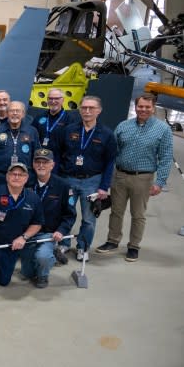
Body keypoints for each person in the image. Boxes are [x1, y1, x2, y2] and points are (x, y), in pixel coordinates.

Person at [97, 93, 173, 262]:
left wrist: (159, 182)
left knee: (138, 214)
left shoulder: (163, 129)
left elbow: (166, 157)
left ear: (153, 108)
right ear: (136, 106)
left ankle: (133, 246)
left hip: (143, 178)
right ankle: (112, 241)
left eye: (147, 107)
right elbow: (111, 152)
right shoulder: (123, 126)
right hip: (120, 176)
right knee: (116, 211)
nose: (143, 109)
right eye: (140, 106)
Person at [53, 95, 117, 261]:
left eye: (91, 108)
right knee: (66, 213)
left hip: (92, 181)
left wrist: (104, 186)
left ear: (99, 111)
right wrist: (58, 179)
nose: (87, 111)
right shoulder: (68, 130)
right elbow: (58, 155)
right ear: (80, 110)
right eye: (84, 108)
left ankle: (83, 247)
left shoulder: (107, 135)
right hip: (68, 179)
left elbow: (110, 162)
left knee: (89, 218)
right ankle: (64, 244)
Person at [0, 163, 44, 296]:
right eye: (13, 174)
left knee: (4, 281)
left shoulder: (33, 198)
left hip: (12, 243)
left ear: (26, 178)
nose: (16, 177)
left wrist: (24, 237)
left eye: (20, 174)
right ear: (7, 176)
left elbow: (37, 223)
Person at [23, 149, 77, 287]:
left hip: (49, 233)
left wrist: (61, 231)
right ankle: (51, 254)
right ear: (33, 164)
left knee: (42, 257)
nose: (41, 165)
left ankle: (43, 275)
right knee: (27, 273)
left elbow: (70, 215)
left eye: (45, 162)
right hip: (27, 233)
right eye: (38, 162)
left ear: (52, 165)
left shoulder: (63, 186)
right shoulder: (25, 183)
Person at [0, 101, 40, 188]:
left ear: (23, 114)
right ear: (7, 113)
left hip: (24, 178)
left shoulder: (32, 131)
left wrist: (33, 179)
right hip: (0, 178)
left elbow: (36, 157)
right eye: (11, 111)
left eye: (18, 111)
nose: (15, 113)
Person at [30, 88, 80, 152]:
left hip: (58, 160)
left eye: (56, 98)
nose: (53, 101)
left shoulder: (70, 120)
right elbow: (31, 135)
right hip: (40, 158)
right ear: (47, 100)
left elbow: (73, 144)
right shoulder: (39, 117)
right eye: (50, 98)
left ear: (62, 100)